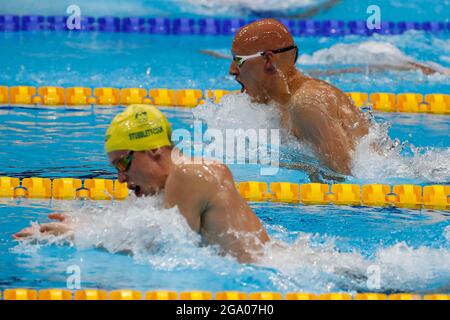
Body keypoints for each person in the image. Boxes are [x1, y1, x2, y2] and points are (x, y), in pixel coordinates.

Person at [13, 104, 269, 263]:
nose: (121, 178)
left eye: (122, 163)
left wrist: (78, 237)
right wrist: (88, 225)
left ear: (154, 149)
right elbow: (148, 231)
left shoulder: (189, 174)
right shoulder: (170, 186)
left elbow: (167, 249)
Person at [228, 18, 372, 175]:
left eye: (238, 60)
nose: (232, 70)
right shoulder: (282, 102)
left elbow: (344, 177)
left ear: (268, 60)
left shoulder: (305, 104)